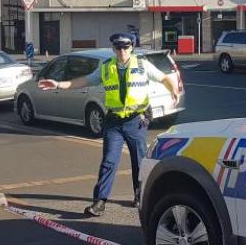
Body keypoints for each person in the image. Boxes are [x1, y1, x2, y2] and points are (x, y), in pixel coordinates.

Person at [38, 33, 178, 217]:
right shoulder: (106, 68)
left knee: (139, 161)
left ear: (132, 48)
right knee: (108, 162)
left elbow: (164, 78)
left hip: (136, 120)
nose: (122, 51)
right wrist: (57, 84)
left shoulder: (142, 65)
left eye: (126, 47)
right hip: (114, 121)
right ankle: (99, 202)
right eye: (118, 47)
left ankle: (140, 195)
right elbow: (83, 81)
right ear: (113, 49)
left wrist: (173, 90)